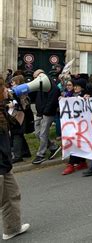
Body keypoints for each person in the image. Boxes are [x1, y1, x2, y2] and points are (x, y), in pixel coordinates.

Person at [0, 76, 30, 240]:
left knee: (12, 196)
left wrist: (21, 104)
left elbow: (17, 125)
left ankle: (12, 228)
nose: (7, 89)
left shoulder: (2, 110)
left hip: (5, 163)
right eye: (3, 87)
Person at [32, 69, 61, 165]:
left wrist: (46, 111)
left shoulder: (52, 86)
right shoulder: (41, 85)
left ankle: (40, 154)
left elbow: (52, 100)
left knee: (43, 134)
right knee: (37, 133)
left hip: (47, 113)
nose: (34, 80)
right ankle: (53, 147)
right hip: (40, 112)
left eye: (35, 78)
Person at [61, 78, 88, 175]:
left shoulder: (84, 96)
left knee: (74, 142)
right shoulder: (71, 95)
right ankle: (82, 162)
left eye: (77, 86)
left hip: (82, 125)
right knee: (75, 142)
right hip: (72, 124)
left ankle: (71, 164)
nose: (75, 88)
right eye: (74, 86)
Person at [7, 76, 32, 163]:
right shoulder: (17, 92)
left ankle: (18, 156)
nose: (11, 83)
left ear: (18, 82)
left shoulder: (21, 92)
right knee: (19, 134)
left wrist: (14, 102)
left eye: (13, 82)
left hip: (19, 115)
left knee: (17, 134)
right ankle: (25, 152)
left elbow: (25, 105)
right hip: (17, 115)